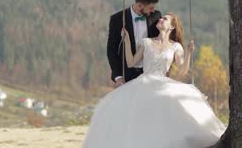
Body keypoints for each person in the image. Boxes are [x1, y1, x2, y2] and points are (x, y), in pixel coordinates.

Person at [84, 13, 226, 148]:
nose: (160, 19)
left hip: (163, 82)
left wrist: (188, 53)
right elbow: (131, 62)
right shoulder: (146, 42)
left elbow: (182, 71)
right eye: (161, 18)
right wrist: (127, 41)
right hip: (144, 81)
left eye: (165, 19)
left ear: (171, 27)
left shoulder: (175, 46)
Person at [107, 0, 162, 88]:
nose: (153, 10)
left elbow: (162, 43)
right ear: (140, 5)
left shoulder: (156, 16)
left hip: (150, 74)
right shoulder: (117, 19)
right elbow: (112, 50)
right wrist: (118, 77)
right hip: (127, 76)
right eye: (151, 7)